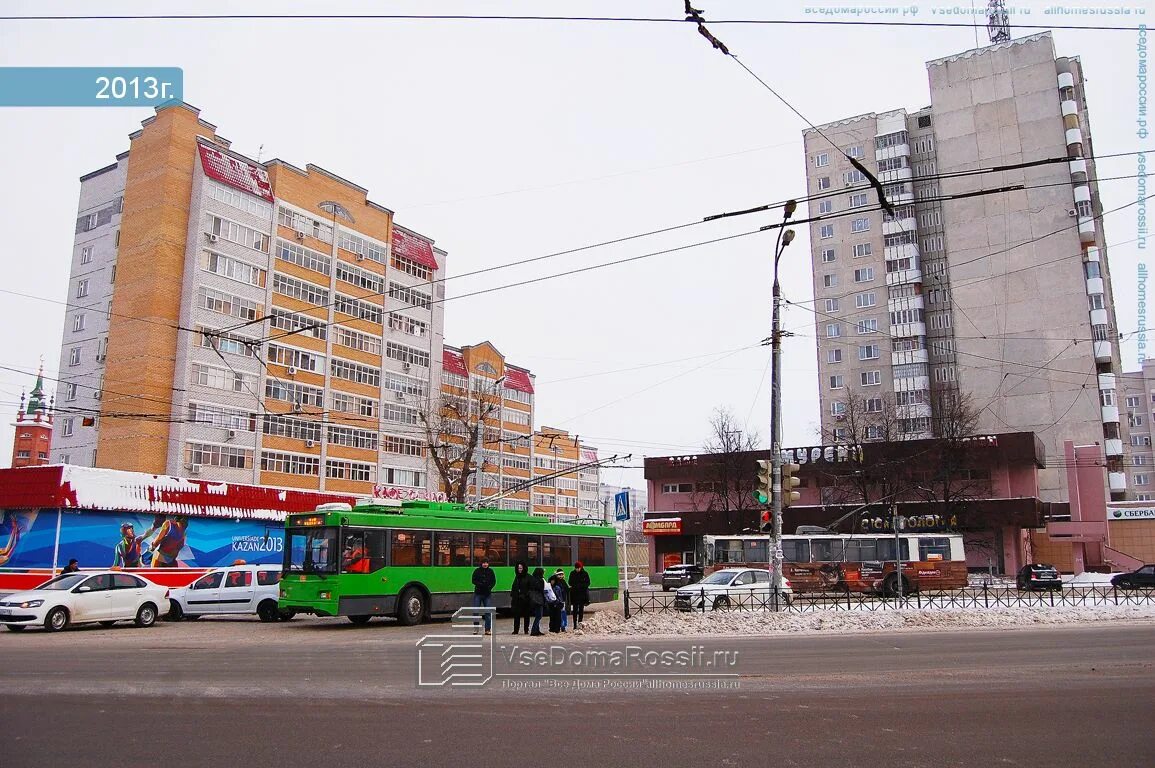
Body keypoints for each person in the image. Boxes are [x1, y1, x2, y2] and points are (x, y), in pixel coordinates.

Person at [471, 557, 496, 635]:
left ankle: (487, 630)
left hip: (487, 594)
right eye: (484, 563)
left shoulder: (491, 571)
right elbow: (473, 580)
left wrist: (489, 587)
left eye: (486, 563)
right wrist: (480, 585)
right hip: (478, 593)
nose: (485, 564)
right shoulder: (477, 571)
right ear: (481, 563)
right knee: (475, 611)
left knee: (488, 612)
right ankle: (476, 629)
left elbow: (493, 581)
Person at [509, 561, 532, 635]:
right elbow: (514, 587)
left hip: (526, 600)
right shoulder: (517, 577)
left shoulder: (528, 577)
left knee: (526, 615)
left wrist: (525, 595)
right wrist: (513, 595)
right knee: (516, 615)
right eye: (518, 568)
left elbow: (530, 588)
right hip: (517, 600)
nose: (519, 570)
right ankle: (516, 630)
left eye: (521, 568)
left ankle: (526, 630)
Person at [569, 561, 591, 630]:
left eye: (578, 568)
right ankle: (575, 624)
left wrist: (581, 586)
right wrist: (576, 586)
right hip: (575, 594)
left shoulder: (585, 573)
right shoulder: (572, 573)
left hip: (582, 594)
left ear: (581, 567)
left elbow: (588, 583)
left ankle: (580, 623)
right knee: (575, 610)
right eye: (576, 568)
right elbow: (570, 582)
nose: (577, 569)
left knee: (581, 610)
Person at [528, 567, 546, 636]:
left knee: (537, 615)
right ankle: (533, 631)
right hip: (539, 599)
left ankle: (537, 630)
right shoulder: (540, 580)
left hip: (533, 600)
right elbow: (541, 589)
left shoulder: (532, 579)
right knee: (539, 616)